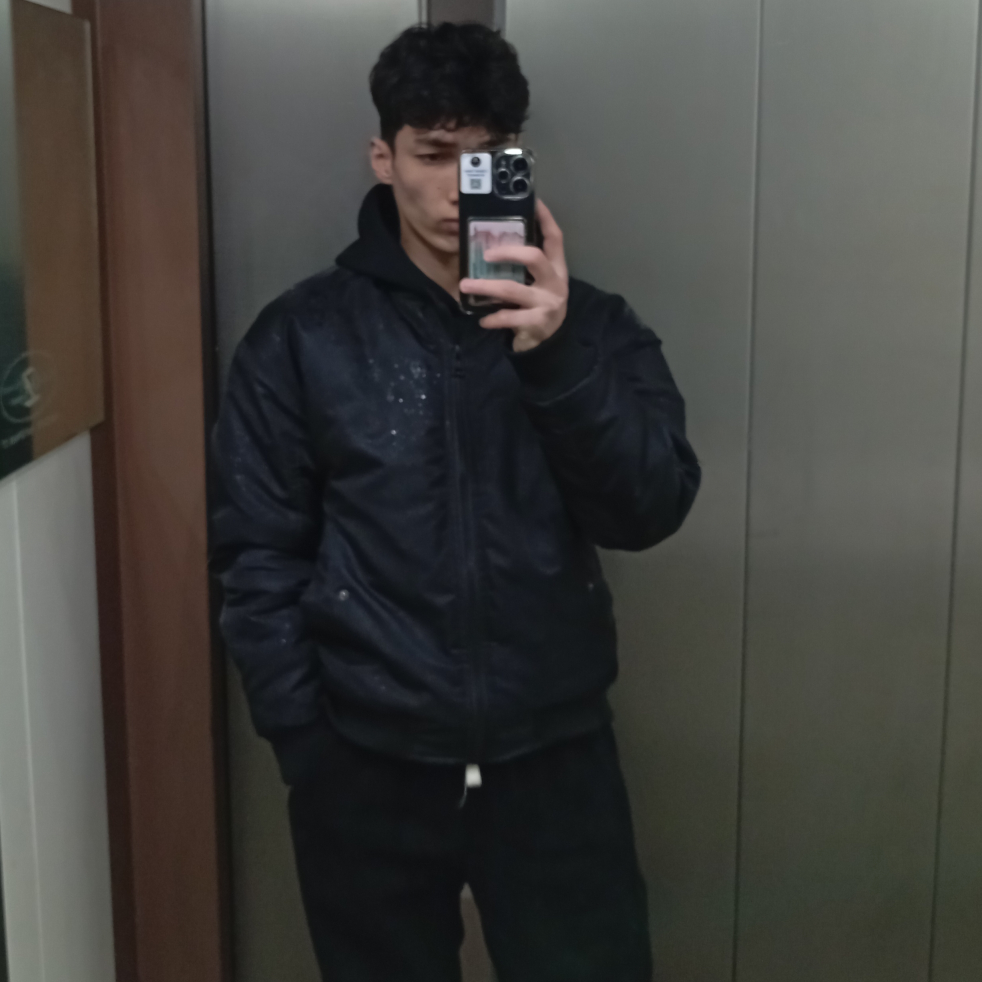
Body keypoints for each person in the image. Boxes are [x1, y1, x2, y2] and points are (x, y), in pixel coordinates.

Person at [209, 21, 701, 982]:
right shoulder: (303, 339)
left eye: (486, 159)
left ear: (515, 164)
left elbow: (650, 508)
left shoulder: (592, 328)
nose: (456, 189)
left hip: (554, 759)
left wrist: (554, 357)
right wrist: (307, 744)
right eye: (434, 155)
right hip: (368, 764)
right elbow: (256, 553)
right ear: (383, 158)